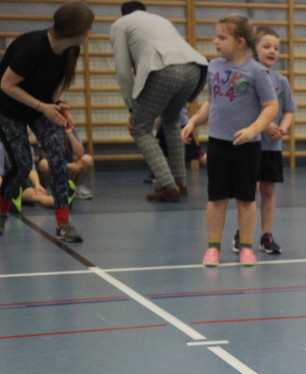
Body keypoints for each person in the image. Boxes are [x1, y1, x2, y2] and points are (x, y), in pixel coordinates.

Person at [182, 15, 278, 267]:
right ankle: (213, 247)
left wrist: (253, 129)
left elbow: (271, 106)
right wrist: (194, 121)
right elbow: (211, 102)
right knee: (216, 198)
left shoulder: (256, 71)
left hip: (247, 146)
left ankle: (246, 247)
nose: (216, 41)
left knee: (246, 199)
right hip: (218, 143)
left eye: (222, 37)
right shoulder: (213, 67)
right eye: (216, 36)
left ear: (239, 42)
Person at [0, 2, 93, 242]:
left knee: (57, 159)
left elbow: (58, 84)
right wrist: (43, 107)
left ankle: (63, 224)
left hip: (41, 107)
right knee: (22, 165)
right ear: (74, 30)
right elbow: (6, 85)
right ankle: (2, 210)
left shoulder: (71, 50)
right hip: (9, 108)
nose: (89, 33)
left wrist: (58, 104)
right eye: (87, 28)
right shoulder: (32, 47)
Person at [111, 1, 208, 203]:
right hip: (195, 69)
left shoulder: (120, 25)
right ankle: (180, 183)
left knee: (140, 128)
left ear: (124, 14)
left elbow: (123, 72)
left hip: (164, 69)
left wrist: (131, 107)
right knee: (171, 121)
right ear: (144, 11)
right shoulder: (160, 19)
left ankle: (168, 185)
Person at [231, 26, 296, 257]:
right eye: (267, 46)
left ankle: (266, 235)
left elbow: (288, 110)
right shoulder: (248, 78)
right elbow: (245, 109)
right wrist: (265, 125)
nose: (272, 51)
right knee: (251, 188)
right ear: (254, 49)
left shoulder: (281, 81)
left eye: (276, 48)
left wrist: (282, 128)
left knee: (268, 189)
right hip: (252, 144)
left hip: (272, 146)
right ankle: (242, 232)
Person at [37, 123, 94, 198]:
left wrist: (70, 134)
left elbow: (80, 153)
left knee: (87, 159)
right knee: (43, 164)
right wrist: (70, 166)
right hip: (54, 169)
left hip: (69, 168)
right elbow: (46, 156)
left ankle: (77, 187)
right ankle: (50, 189)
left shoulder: (72, 129)